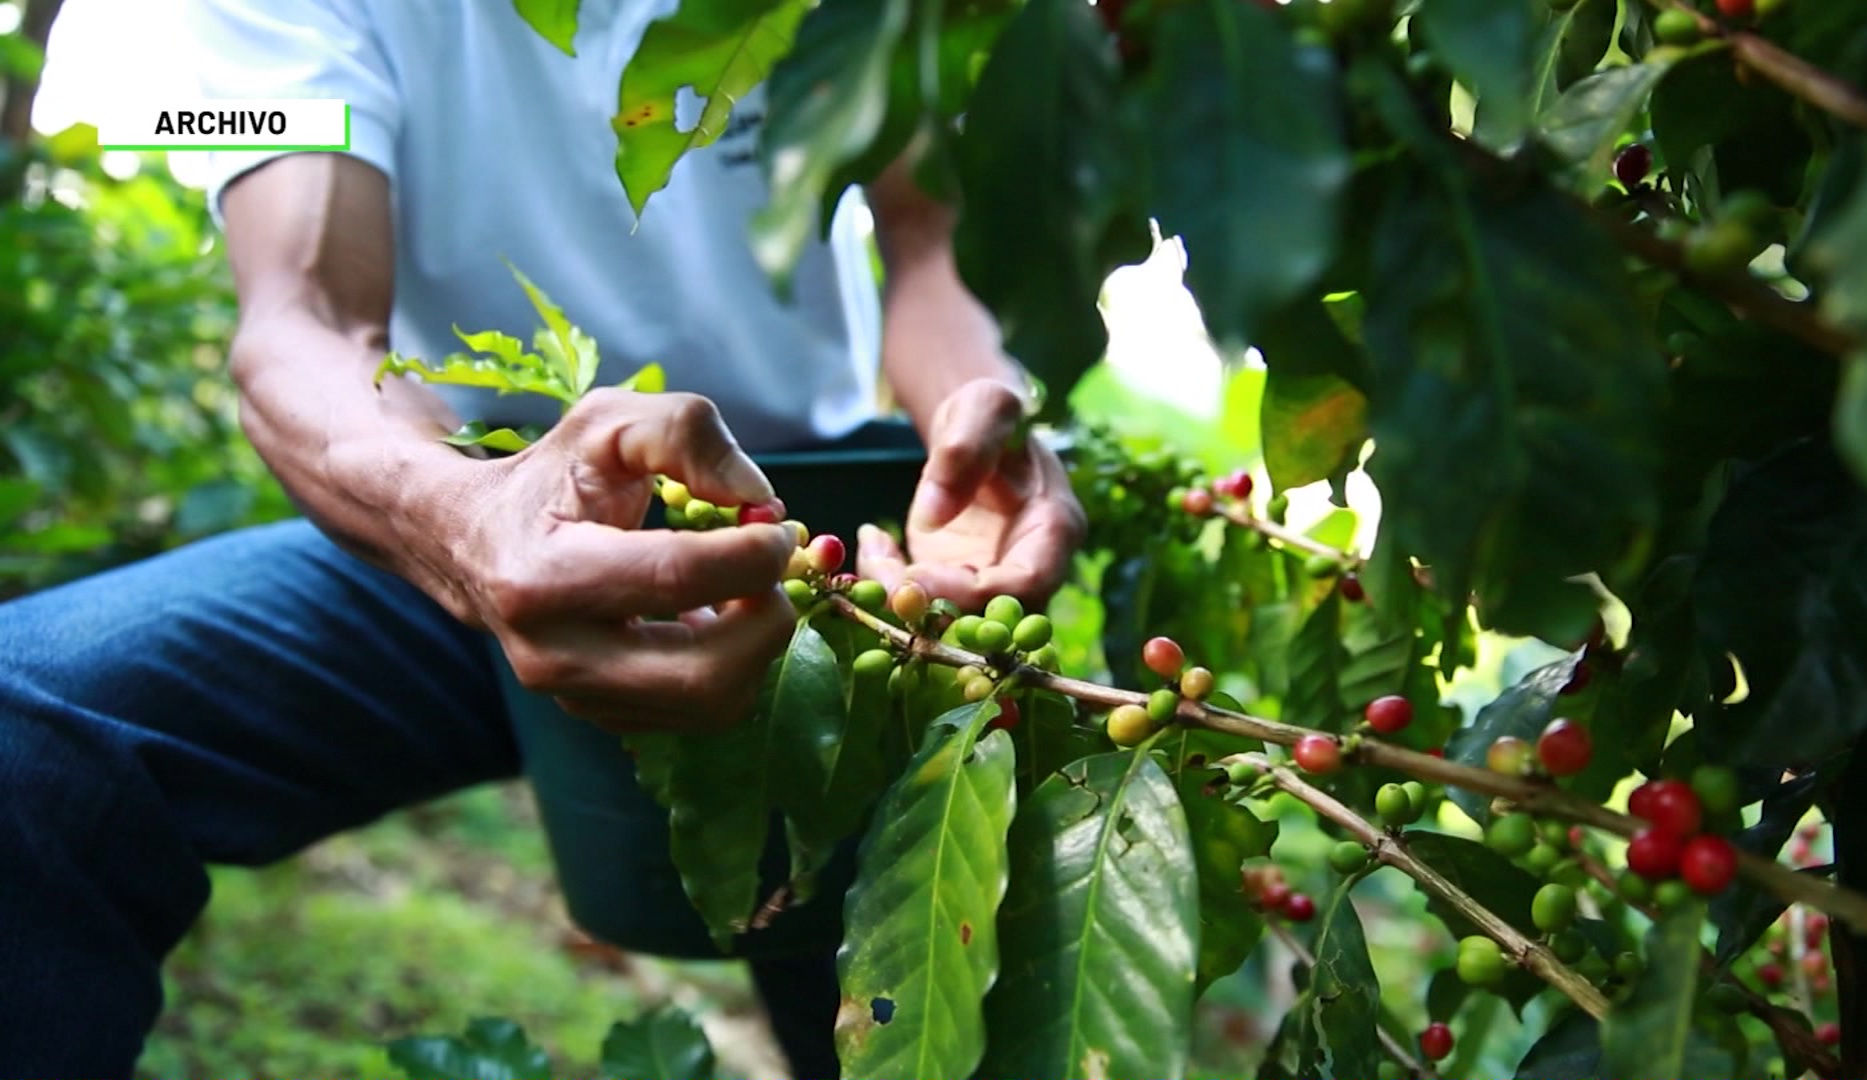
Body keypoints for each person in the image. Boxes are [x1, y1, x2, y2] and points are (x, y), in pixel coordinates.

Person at [0, 0, 1086, 1075]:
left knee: (925, 1001)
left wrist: (984, 413)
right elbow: (303, 320)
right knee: (27, 729)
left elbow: (927, 237)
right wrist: (461, 522)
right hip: (467, 506)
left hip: (820, 546)